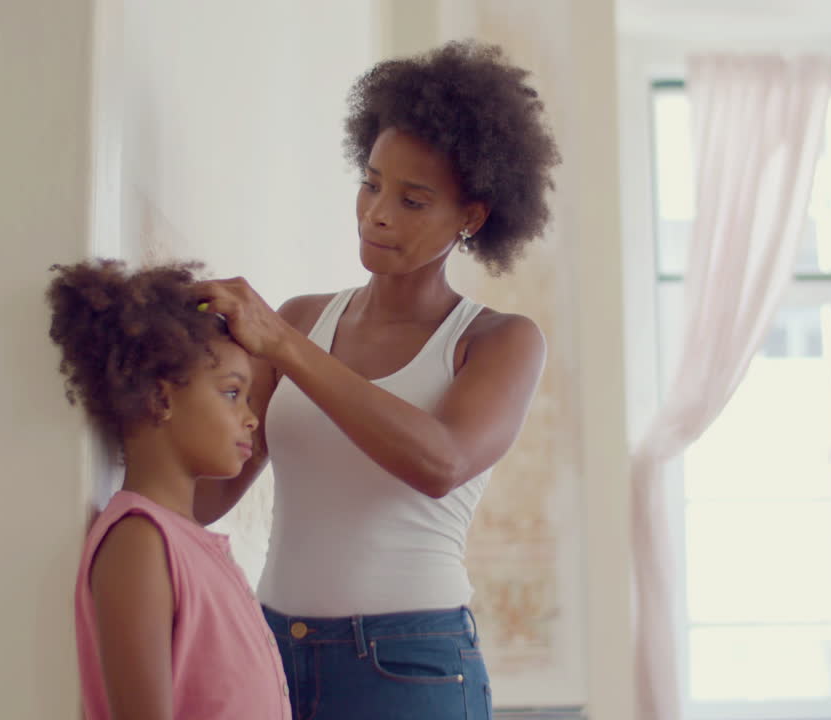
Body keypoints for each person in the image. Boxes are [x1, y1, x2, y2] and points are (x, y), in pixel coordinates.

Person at [191, 40, 561, 719]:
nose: (377, 213)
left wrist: (282, 345)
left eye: (413, 200)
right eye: (371, 182)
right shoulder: (305, 319)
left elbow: (439, 462)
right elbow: (208, 498)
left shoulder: (499, 341)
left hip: (408, 664)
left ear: (471, 217)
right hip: (270, 647)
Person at [46, 259, 290, 720]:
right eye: (233, 393)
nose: (251, 418)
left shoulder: (189, 542)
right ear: (161, 398)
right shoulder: (140, 543)